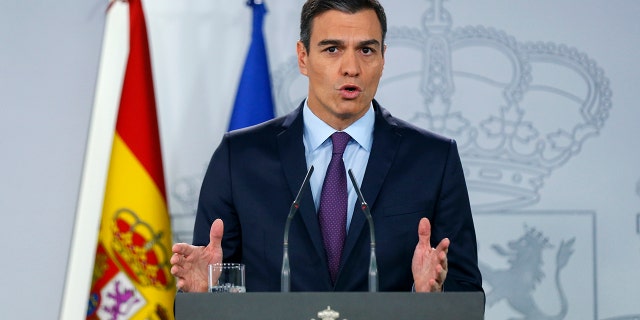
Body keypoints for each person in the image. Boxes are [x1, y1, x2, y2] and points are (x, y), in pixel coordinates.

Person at [171, 0, 483, 293]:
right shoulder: (239, 158)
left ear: (383, 58)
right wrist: (203, 296)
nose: (351, 67)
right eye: (332, 48)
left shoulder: (432, 160)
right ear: (303, 57)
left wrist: (433, 295)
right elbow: (211, 282)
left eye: (366, 50)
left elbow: (465, 292)